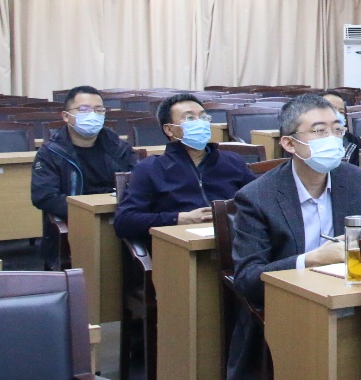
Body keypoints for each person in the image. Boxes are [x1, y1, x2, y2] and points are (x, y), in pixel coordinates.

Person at [229, 94, 361, 380]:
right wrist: (311, 260)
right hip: (290, 309)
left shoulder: (358, 181)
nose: (332, 139)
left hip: (353, 299)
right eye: (319, 131)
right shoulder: (257, 197)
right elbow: (248, 279)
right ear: (290, 143)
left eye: (337, 129)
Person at [114, 93, 256, 241]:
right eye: (190, 118)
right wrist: (179, 218)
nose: (199, 123)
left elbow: (257, 202)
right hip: (180, 246)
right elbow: (124, 221)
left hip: (235, 242)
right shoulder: (150, 168)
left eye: (203, 117)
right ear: (169, 129)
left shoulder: (232, 161)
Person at [31, 85, 140, 269]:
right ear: (66, 116)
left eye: (99, 110)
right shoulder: (51, 152)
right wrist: (87, 211)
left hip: (119, 218)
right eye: (84, 109)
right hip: (75, 223)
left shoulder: (118, 146)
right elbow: (44, 196)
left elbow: (138, 180)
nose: (93, 115)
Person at [322, 90, 361, 163]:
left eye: (341, 112)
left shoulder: (353, 141)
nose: (337, 115)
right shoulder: (311, 141)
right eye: (332, 110)